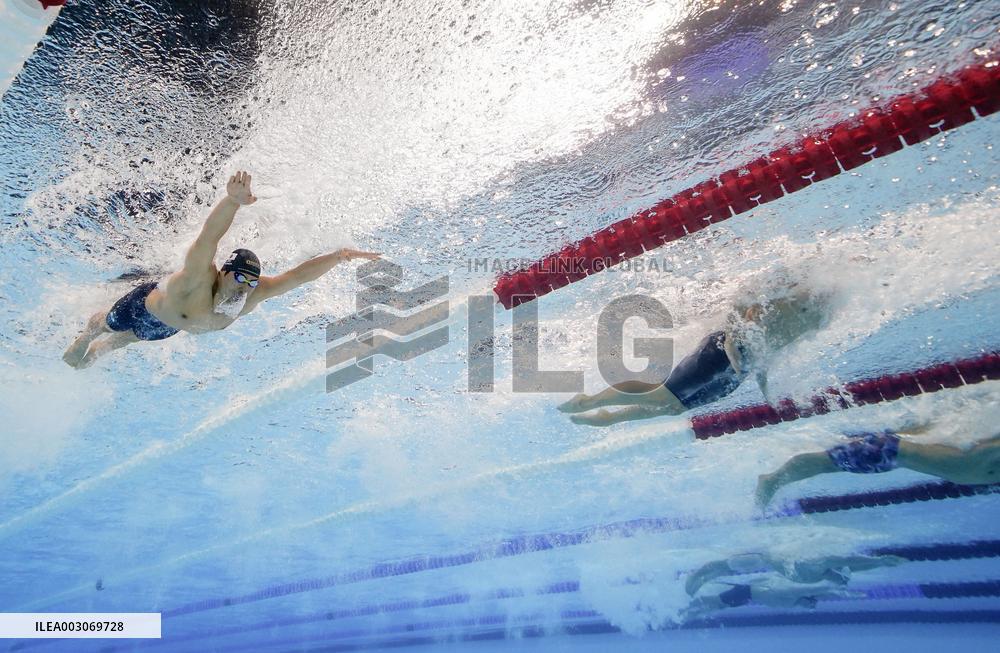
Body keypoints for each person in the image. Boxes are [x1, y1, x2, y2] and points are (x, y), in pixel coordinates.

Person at [63, 171, 379, 369]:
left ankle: (95, 354)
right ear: (223, 272)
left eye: (251, 280)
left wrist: (339, 256)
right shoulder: (198, 278)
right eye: (239, 276)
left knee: (127, 341)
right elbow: (209, 237)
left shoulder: (254, 294)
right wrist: (232, 202)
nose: (245, 285)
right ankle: (86, 336)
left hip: (167, 326)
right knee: (110, 324)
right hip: (143, 306)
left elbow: (297, 276)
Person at [558, 283, 829, 426]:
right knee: (662, 396)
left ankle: (612, 418)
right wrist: (733, 340)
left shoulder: (819, 316)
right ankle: (589, 400)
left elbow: (768, 348)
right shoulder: (796, 293)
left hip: (742, 369)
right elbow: (744, 303)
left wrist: (763, 383)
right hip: (722, 351)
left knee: (674, 408)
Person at [755, 425, 1000, 508]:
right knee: (824, 463)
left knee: (826, 462)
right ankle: (772, 480)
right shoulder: (985, 459)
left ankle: (774, 479)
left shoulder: (984, 461)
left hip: (895, 451)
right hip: (891, 451)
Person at [680, 551, 901, 621]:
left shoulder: (797, 594)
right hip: (750, 587)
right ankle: (686, 603)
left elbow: (837, 577)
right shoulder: (810, 580)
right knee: (714, 595)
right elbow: (834, 579)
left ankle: (684, 608)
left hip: (748, 592)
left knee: (714, 603)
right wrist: (877, 563)